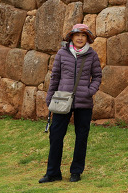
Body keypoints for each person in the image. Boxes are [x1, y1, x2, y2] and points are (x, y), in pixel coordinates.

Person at [39, 24, 102, 183]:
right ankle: (53, 173)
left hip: (84, 103)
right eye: (77, 35)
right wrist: (50, 97)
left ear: (87, 38)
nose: (80, 38)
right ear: (71, 37)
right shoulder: (62, 53)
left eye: (83, 35)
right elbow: (55, 77)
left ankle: (76, 172)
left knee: (81, 137)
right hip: (61, 101)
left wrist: (89, 91)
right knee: (56, 136)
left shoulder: (92, 55)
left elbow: (97, 76)